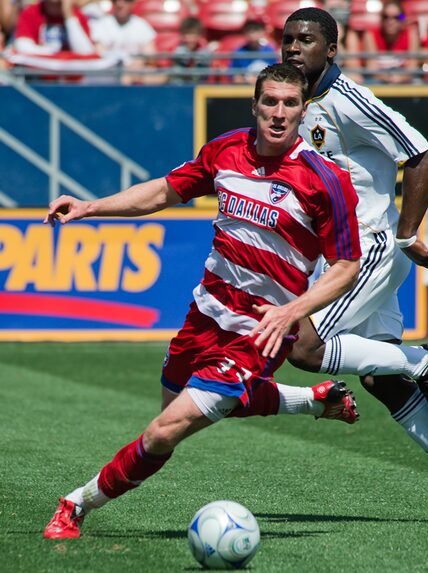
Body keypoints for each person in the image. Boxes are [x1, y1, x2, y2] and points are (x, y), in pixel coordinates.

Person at [42, 63, 362, 539]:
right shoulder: (225, 150)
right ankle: (312, 402)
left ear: (304, 110)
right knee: (178, 405)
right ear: (254, 105)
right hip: (204, 316)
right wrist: (91, 206)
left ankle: (74, 505)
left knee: (163, 432)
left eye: (290, 104)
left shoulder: (325, 181)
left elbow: (345, 267)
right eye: (269, 102)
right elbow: (164, 192)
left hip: (260, 333)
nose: (278, 113)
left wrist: (292, 312)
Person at [245, 7, 428, 453]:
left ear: (331, 50)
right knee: (379, 377)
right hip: (340, 253)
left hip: (369, 248)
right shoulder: (296, 103)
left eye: (305, 40)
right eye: (287, 38)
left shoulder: (351, 101)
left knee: (303, 346)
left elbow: (421, 154)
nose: (292, 47)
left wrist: (405, 235)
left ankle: (424, 361)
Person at [89, 0, 157, 84]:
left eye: (126, 0)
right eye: (115, 0)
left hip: (137, 72)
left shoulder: (142, 25)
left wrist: (137, 64)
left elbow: (151, 58)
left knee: (160, 75)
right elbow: (99, 54)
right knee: (123, 78)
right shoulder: (102, 24)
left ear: (133, 4)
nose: (120, 4)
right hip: (109, 73)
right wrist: (123, 67)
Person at [363, 0, 420, 85]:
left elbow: (412, 67)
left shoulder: (411, 35)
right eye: (386, 17)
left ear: (402, 19)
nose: (390, 21)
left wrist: (400, 78)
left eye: (396, 17)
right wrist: (389, 78)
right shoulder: (371, 35)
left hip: (405, 79)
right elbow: (372, 68)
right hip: (379, 79)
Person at [13, 0, 95, 56]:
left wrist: (68, 15)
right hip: (40, 77)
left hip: (71, 78)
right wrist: (53, 54)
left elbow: (86, 53)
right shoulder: (30, 12)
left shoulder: (77, 15)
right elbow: (22, 47)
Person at [230, 19, 278, 84]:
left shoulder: (270, 51)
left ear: (262, 31)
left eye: (256, 29)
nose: (252, 33)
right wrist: (245, 81)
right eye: (248, 30)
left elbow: (275, 74)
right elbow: (234, 76)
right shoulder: (239, 52)